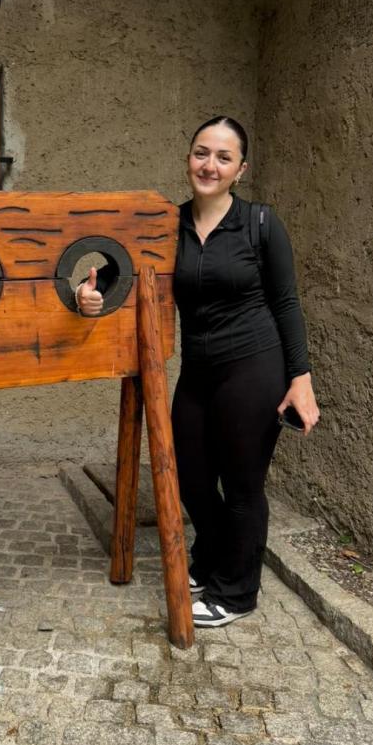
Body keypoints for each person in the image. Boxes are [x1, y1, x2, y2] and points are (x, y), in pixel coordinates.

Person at [76, 116, 319, 627]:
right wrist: (86, 293)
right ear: (188, 158)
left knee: (242, 485)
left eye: (223, 158)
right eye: (201, 153)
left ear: (240, 170)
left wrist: (301, 379)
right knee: (189, 476)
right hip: (198, 370)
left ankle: (236, 593)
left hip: (255, 367)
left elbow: (286, 302)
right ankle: (210, 561)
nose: (210, 165)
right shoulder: (167, 225)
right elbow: (119, 274)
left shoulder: (260, 223)